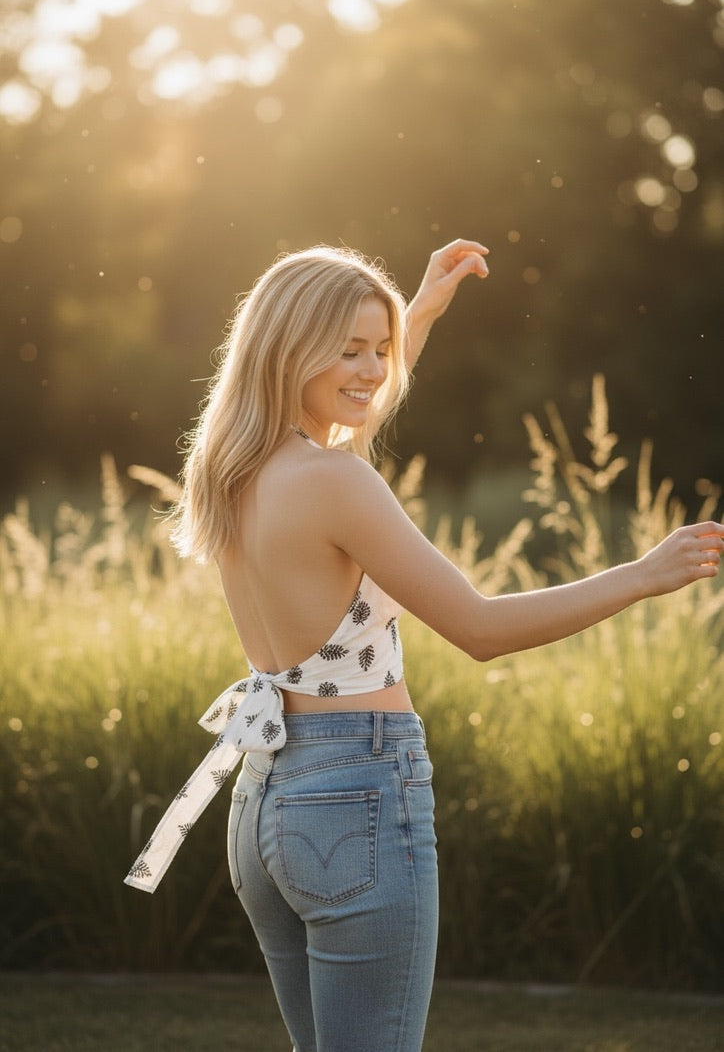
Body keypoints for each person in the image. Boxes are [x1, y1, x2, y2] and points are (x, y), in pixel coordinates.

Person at [125, 239, 723, 1052]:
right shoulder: (335, 482)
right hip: (358, 791)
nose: (374, 369)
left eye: (382, 349)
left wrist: (418, 315)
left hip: (266, 800)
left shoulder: (233, 470)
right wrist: (642, 574)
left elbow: (353, 422)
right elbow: (479, 629)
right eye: (349, 350)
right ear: (289, 349)